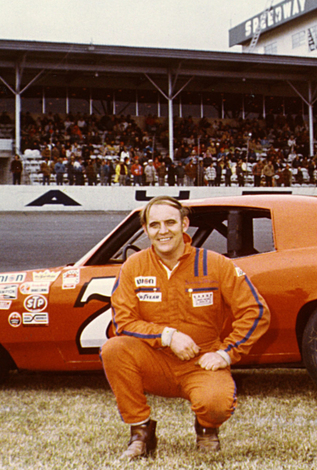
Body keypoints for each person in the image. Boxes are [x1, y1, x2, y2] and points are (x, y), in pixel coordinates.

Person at [101, 196, 270, 460]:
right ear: (146, 230)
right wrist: (167, 336)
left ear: (185, 224)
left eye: (170, 222)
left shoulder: (216, 263)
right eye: (155, 225)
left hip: (201, 362)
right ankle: (141, 432)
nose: (163, 230)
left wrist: (226, 354)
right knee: (114, 349)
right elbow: (122, 321)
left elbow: (255, 311)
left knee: (215, 404)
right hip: (154, 359)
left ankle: (207, 428)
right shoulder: (134, 266)